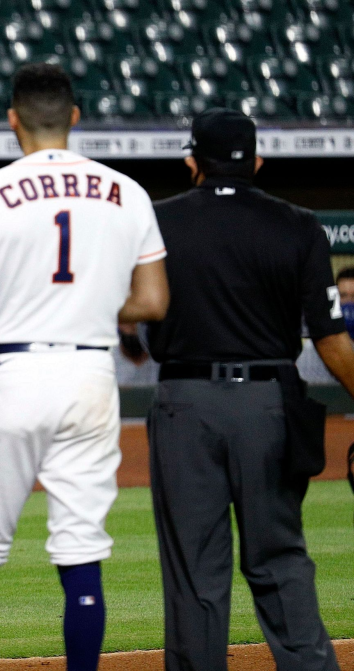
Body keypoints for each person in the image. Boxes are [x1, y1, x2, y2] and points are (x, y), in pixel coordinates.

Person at [0, 63, 170, 671]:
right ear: (75, 117)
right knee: (81, 551)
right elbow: (153, 303)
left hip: (15, 372)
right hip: (92, 374)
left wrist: (19, 298)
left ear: (13, 119)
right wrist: (85, 303)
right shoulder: (128, 192)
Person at [146, 107, 354, 671]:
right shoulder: (299, 224)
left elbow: (131, 313)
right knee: (280, 557)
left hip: (185, 404)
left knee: (195, 568)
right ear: (257, 161)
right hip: (269, 403)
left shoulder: (156, 221)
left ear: (193, 162)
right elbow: (331, 339)